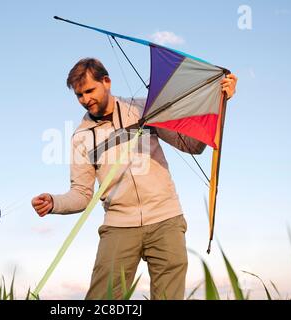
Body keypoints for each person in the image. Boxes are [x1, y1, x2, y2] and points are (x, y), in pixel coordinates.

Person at [32, 58, 238, 299]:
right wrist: (54, 202)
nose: (85, 99)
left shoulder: (144, 109)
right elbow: (82, 194)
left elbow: (191, 145)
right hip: (119, 226)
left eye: (90, 90)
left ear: (106, 82)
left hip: (166, 219)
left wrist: (219, 103)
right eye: (79, 95)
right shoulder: (80, 137)